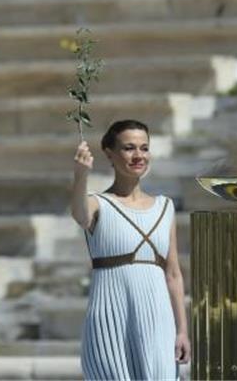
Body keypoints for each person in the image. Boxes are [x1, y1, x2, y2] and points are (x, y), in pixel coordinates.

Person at [69, 119, 190, 380]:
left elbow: (173, 274)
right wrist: (81, 175)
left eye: (144, 148)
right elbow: (79, 215)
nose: (139, 156)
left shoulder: (164, 206)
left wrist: (182, 330)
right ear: (110, 154)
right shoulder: (97, 203)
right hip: (110, 315)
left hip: (157, 317)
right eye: (129, 148)